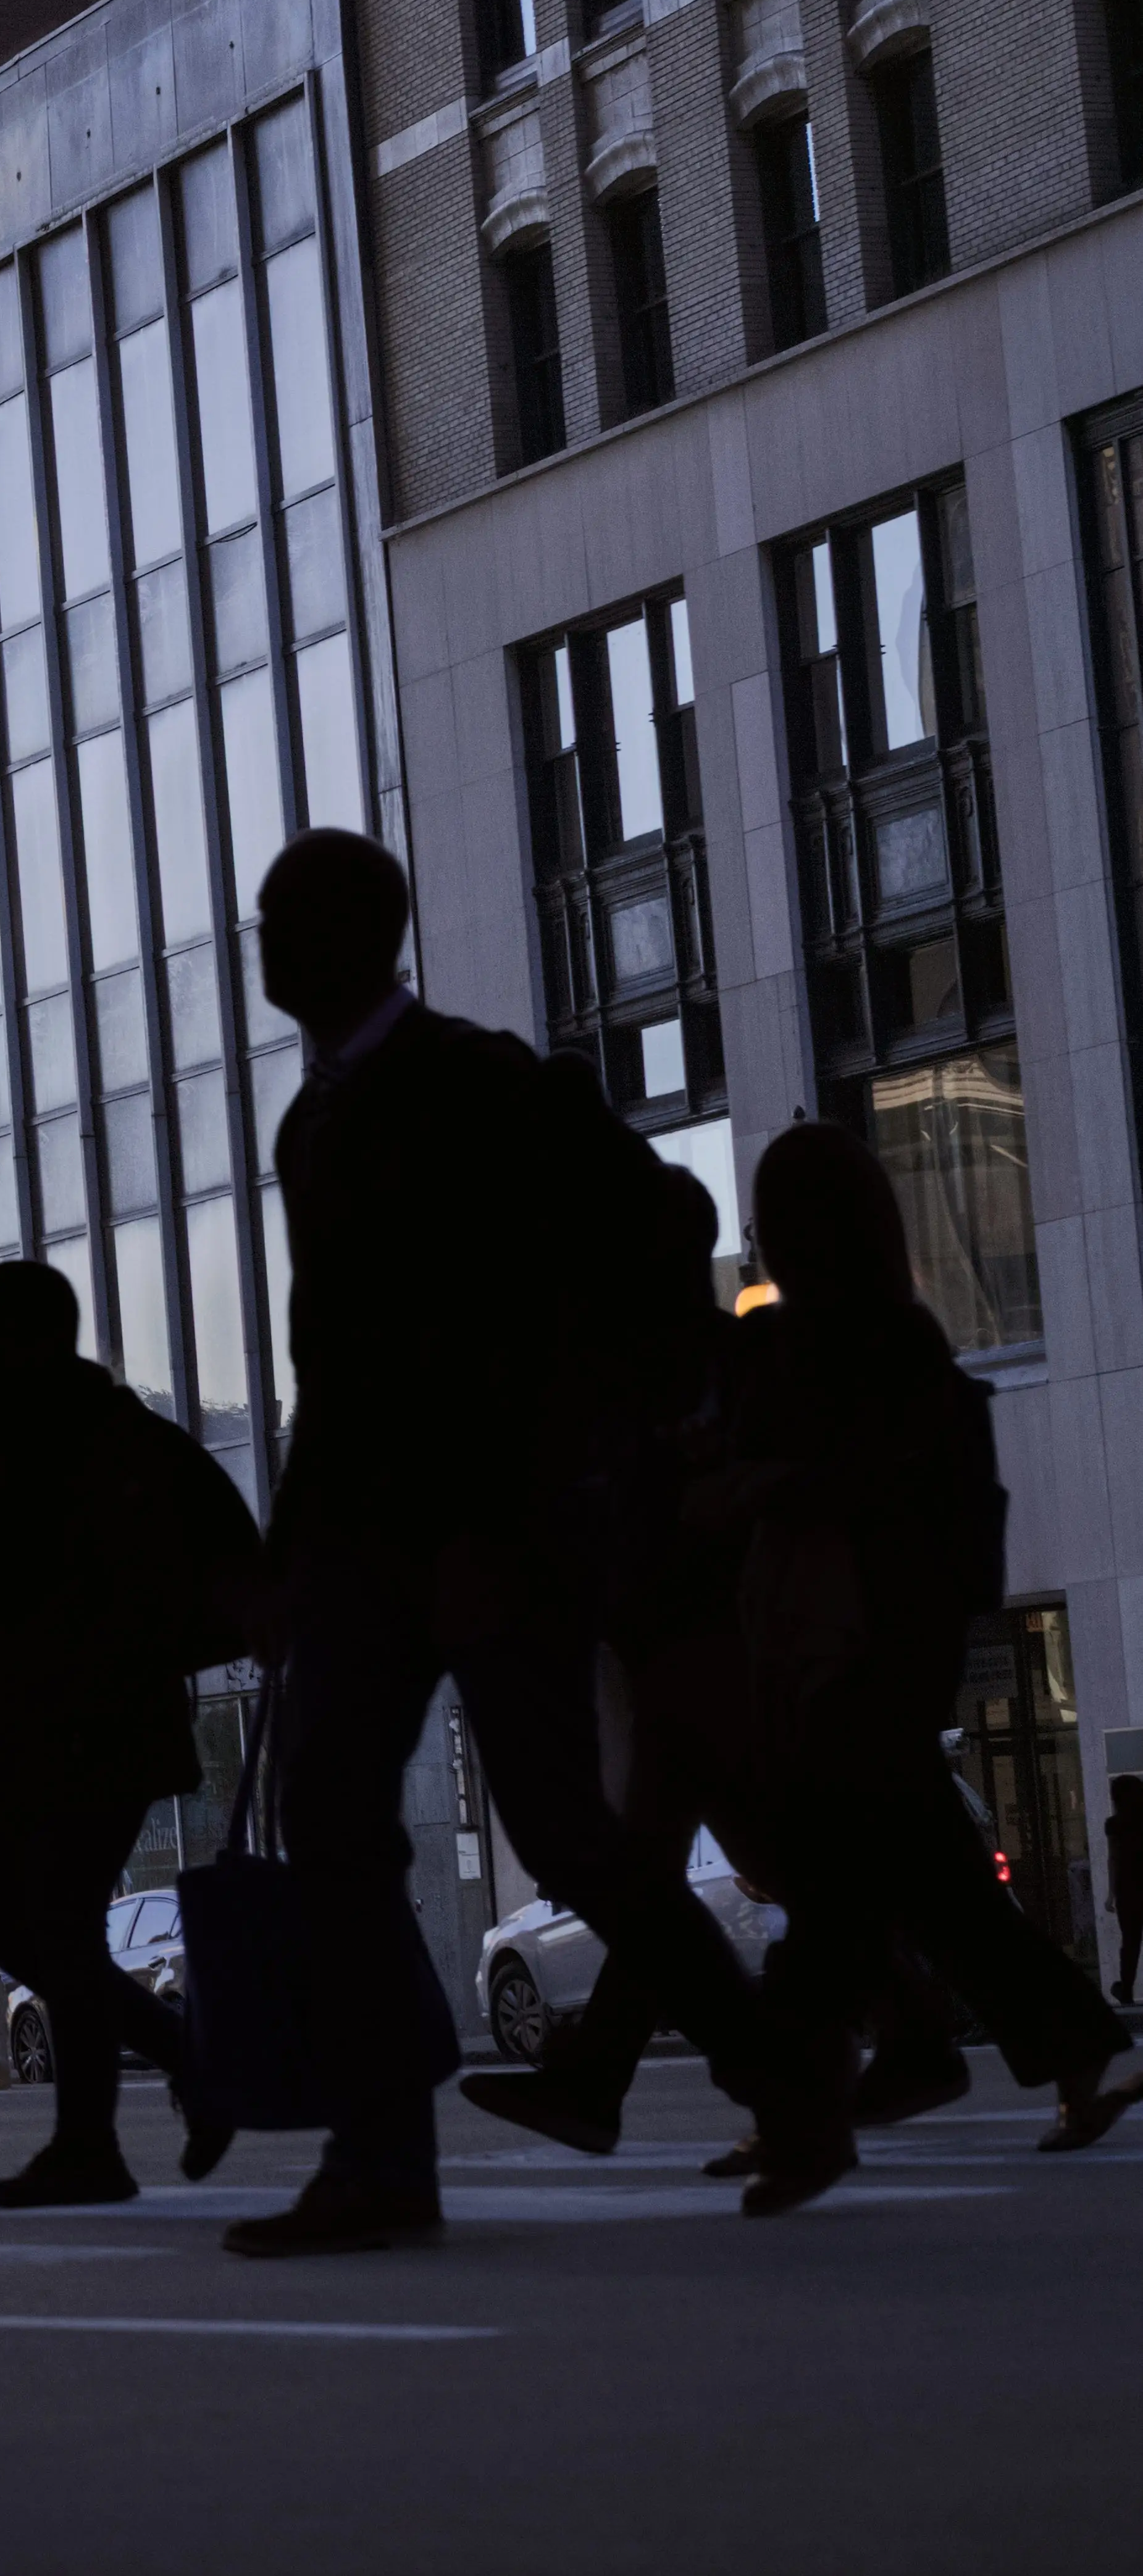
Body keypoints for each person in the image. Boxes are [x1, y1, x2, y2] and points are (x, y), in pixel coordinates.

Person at [233, 835, 845, 2256]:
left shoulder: (470, 1083)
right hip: (368, 1539)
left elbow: (632, 1245)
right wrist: (285, 1551)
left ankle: (783, 2075)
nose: (262, 943)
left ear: (355, 937)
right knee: (335, 1815)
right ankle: (379, 2151)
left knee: (562, 1832)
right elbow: (328, 1363)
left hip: (494, 1534)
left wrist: (541, 1493)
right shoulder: (311, 1121)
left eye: (283, 921)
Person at [713, 1120, 1134, 2154]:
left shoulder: (842, 1347)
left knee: (837, 1875)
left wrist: (757, 1484)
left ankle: (806, 2093)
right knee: (932, 1884)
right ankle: (1065, 2052)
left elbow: (848, 1485)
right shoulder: (891, 1338)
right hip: (891, 1641)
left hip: (852, 1644)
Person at [0, 1261, 257, 2203]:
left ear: (27, 1337)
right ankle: (184, 2058)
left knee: (49, 1928)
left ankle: (90, 2141)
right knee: (22, 1932)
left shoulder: (91, 1442)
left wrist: (133, 1646)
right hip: (54, 1725)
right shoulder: (71, 1442)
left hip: (89, 1722)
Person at [1110, 1775, 1143, 2008]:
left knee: (1130, 1943)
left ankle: (1127, 1991)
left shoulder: (1114, 1824)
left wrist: (1110, 1894)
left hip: (1127, 1890)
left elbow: (1114, 1860)